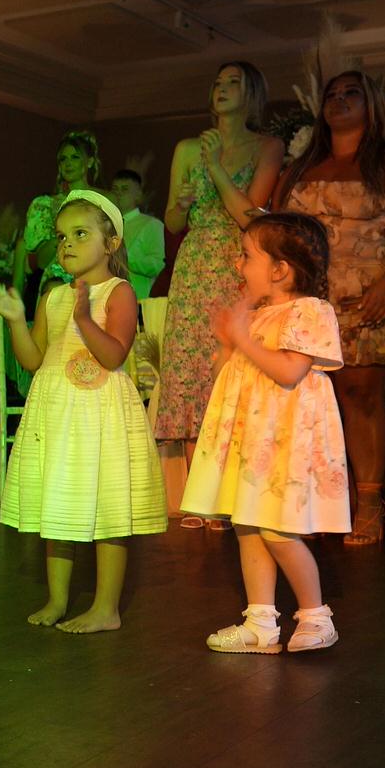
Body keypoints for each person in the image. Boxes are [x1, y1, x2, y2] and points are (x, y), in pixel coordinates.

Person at [0, 192, 165, 633]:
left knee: (108, 509)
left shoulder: (119, 292)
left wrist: (85, 318)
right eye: (62, 236)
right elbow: (34, 359)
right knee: (58, 504)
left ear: (111, 243)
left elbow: (113, 354)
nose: (67, 243)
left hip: (100, 416)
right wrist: (16, 320)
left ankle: (106, 607)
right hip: (57, 414)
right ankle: (57, 599)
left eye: (80, 234)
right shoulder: (52, 297)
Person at [272, 70, 385, 546]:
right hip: (307, 302)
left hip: (367, 296)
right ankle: (321, 502)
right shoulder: (304, 164)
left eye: (352, 94)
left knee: (361, 398)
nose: (339, 100)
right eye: (333, 94)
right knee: (308, 402)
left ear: (372, 105)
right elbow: (279, 226)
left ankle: (369, 504)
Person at [182, 214, 349, 654]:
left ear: (280, 269)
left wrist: (243, 338)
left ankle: (315, 615)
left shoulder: (310, 310)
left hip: (286, 441)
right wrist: (228, 342)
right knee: (248, 526)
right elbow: (227, 373)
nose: (237, 264)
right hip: (252, 439)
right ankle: (260, 623)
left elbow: (290, 371)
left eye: (246, 256)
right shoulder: (257, 316)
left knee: (278, 530)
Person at [157, 62, 287, 523]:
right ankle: (199, 497)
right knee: (191, 375)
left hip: (238, 265)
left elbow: (251, 216)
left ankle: (232, 496)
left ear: (252, 93)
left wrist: (215, 168)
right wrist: (182, 204)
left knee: (227, 373)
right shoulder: (187, 148)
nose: (222, 89)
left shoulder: (267, 146)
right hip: (194, 265)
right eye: (217, 82)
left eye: (234, 82)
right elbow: (172, 221)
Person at [19, 130, 104, 317]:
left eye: (75, 157)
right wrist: (61, 225)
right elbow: (41, 261)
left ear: (89, 161)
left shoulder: (105, 201)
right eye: (63, 159)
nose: (68, 163)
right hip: (57, 285)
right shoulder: (44, 205)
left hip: (96, 284)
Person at [106, 168, 168, 300]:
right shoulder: (104, 226)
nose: (118, 194)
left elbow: (159, 265)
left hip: (139, 299)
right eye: (115, 189)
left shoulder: (151, 224)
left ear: (138, 195)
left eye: (124, 189)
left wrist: (125, 258)